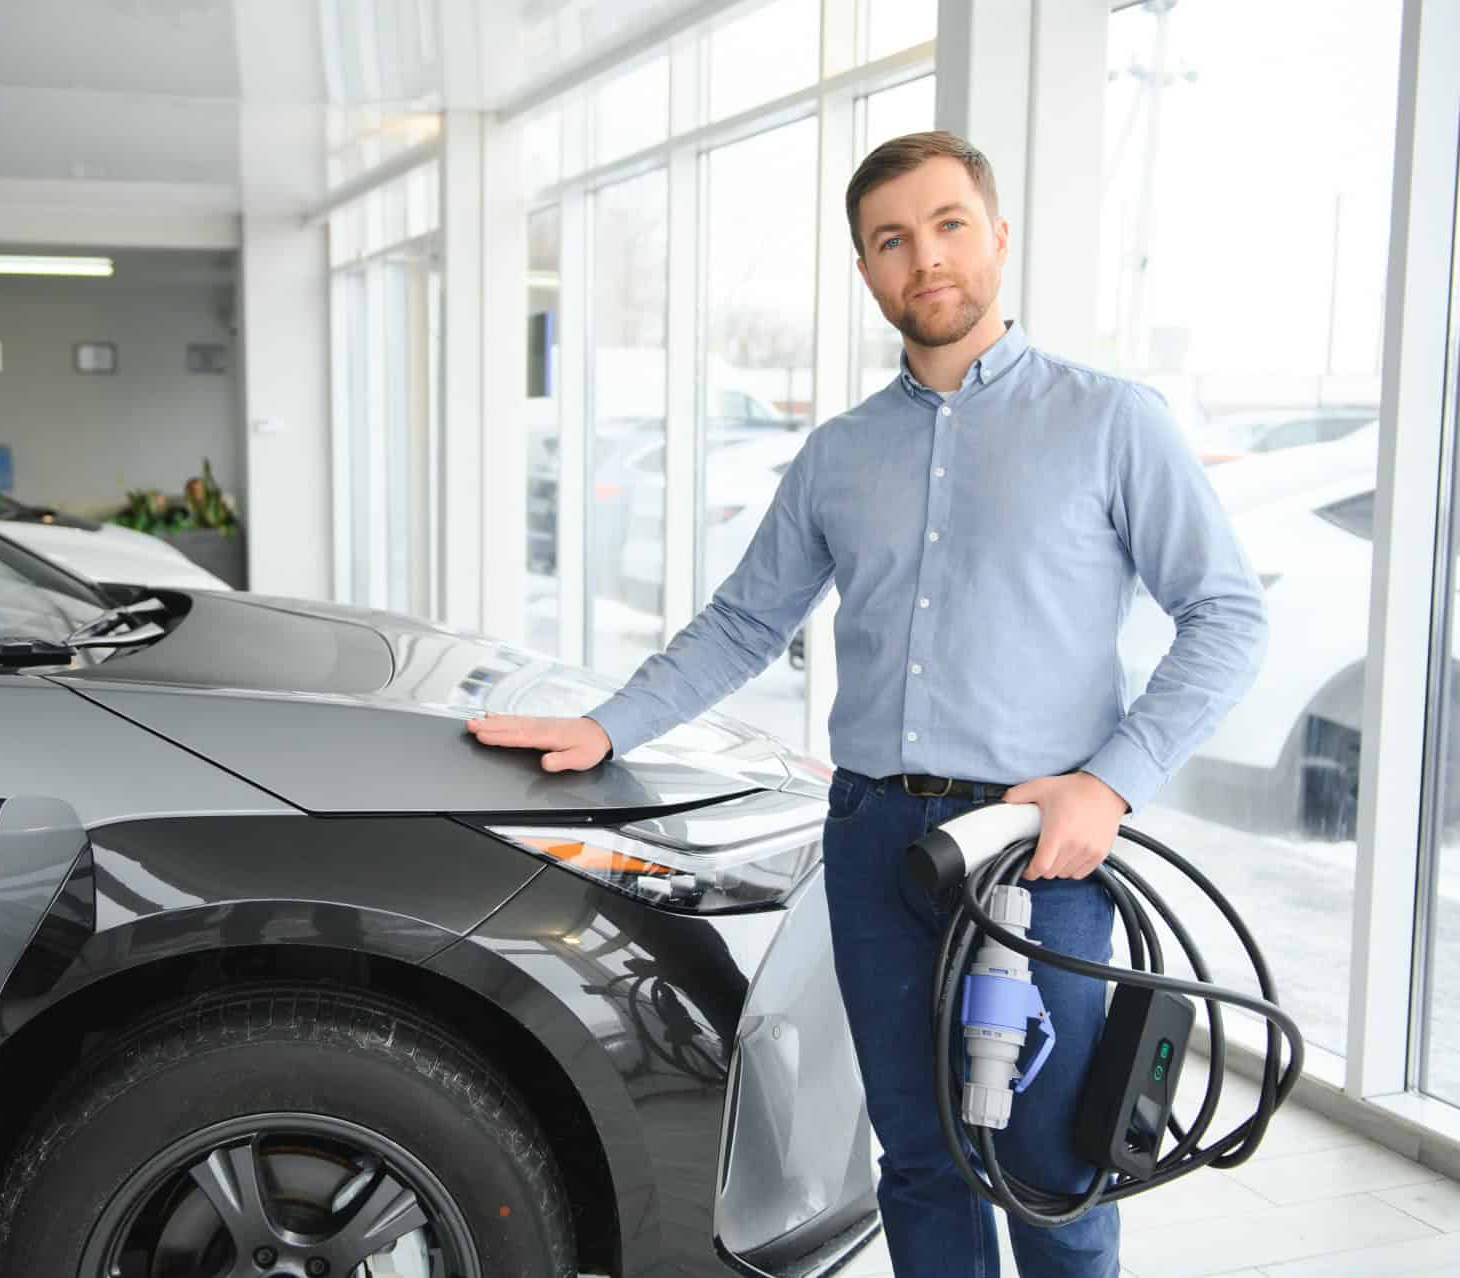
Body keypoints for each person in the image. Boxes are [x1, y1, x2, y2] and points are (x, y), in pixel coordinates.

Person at [466, 130, 1267, 1278]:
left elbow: (1227, 615)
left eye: (947, 226)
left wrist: (1112, 780)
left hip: (1040, 844)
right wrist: (607, 727)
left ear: (996, 235)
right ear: (867, 271)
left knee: (1052, 1170)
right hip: (878, 841)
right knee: (918, 1157)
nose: (924, 258)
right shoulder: (841, 454)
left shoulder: (1109, 421)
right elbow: (745, 623)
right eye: (892, 240)